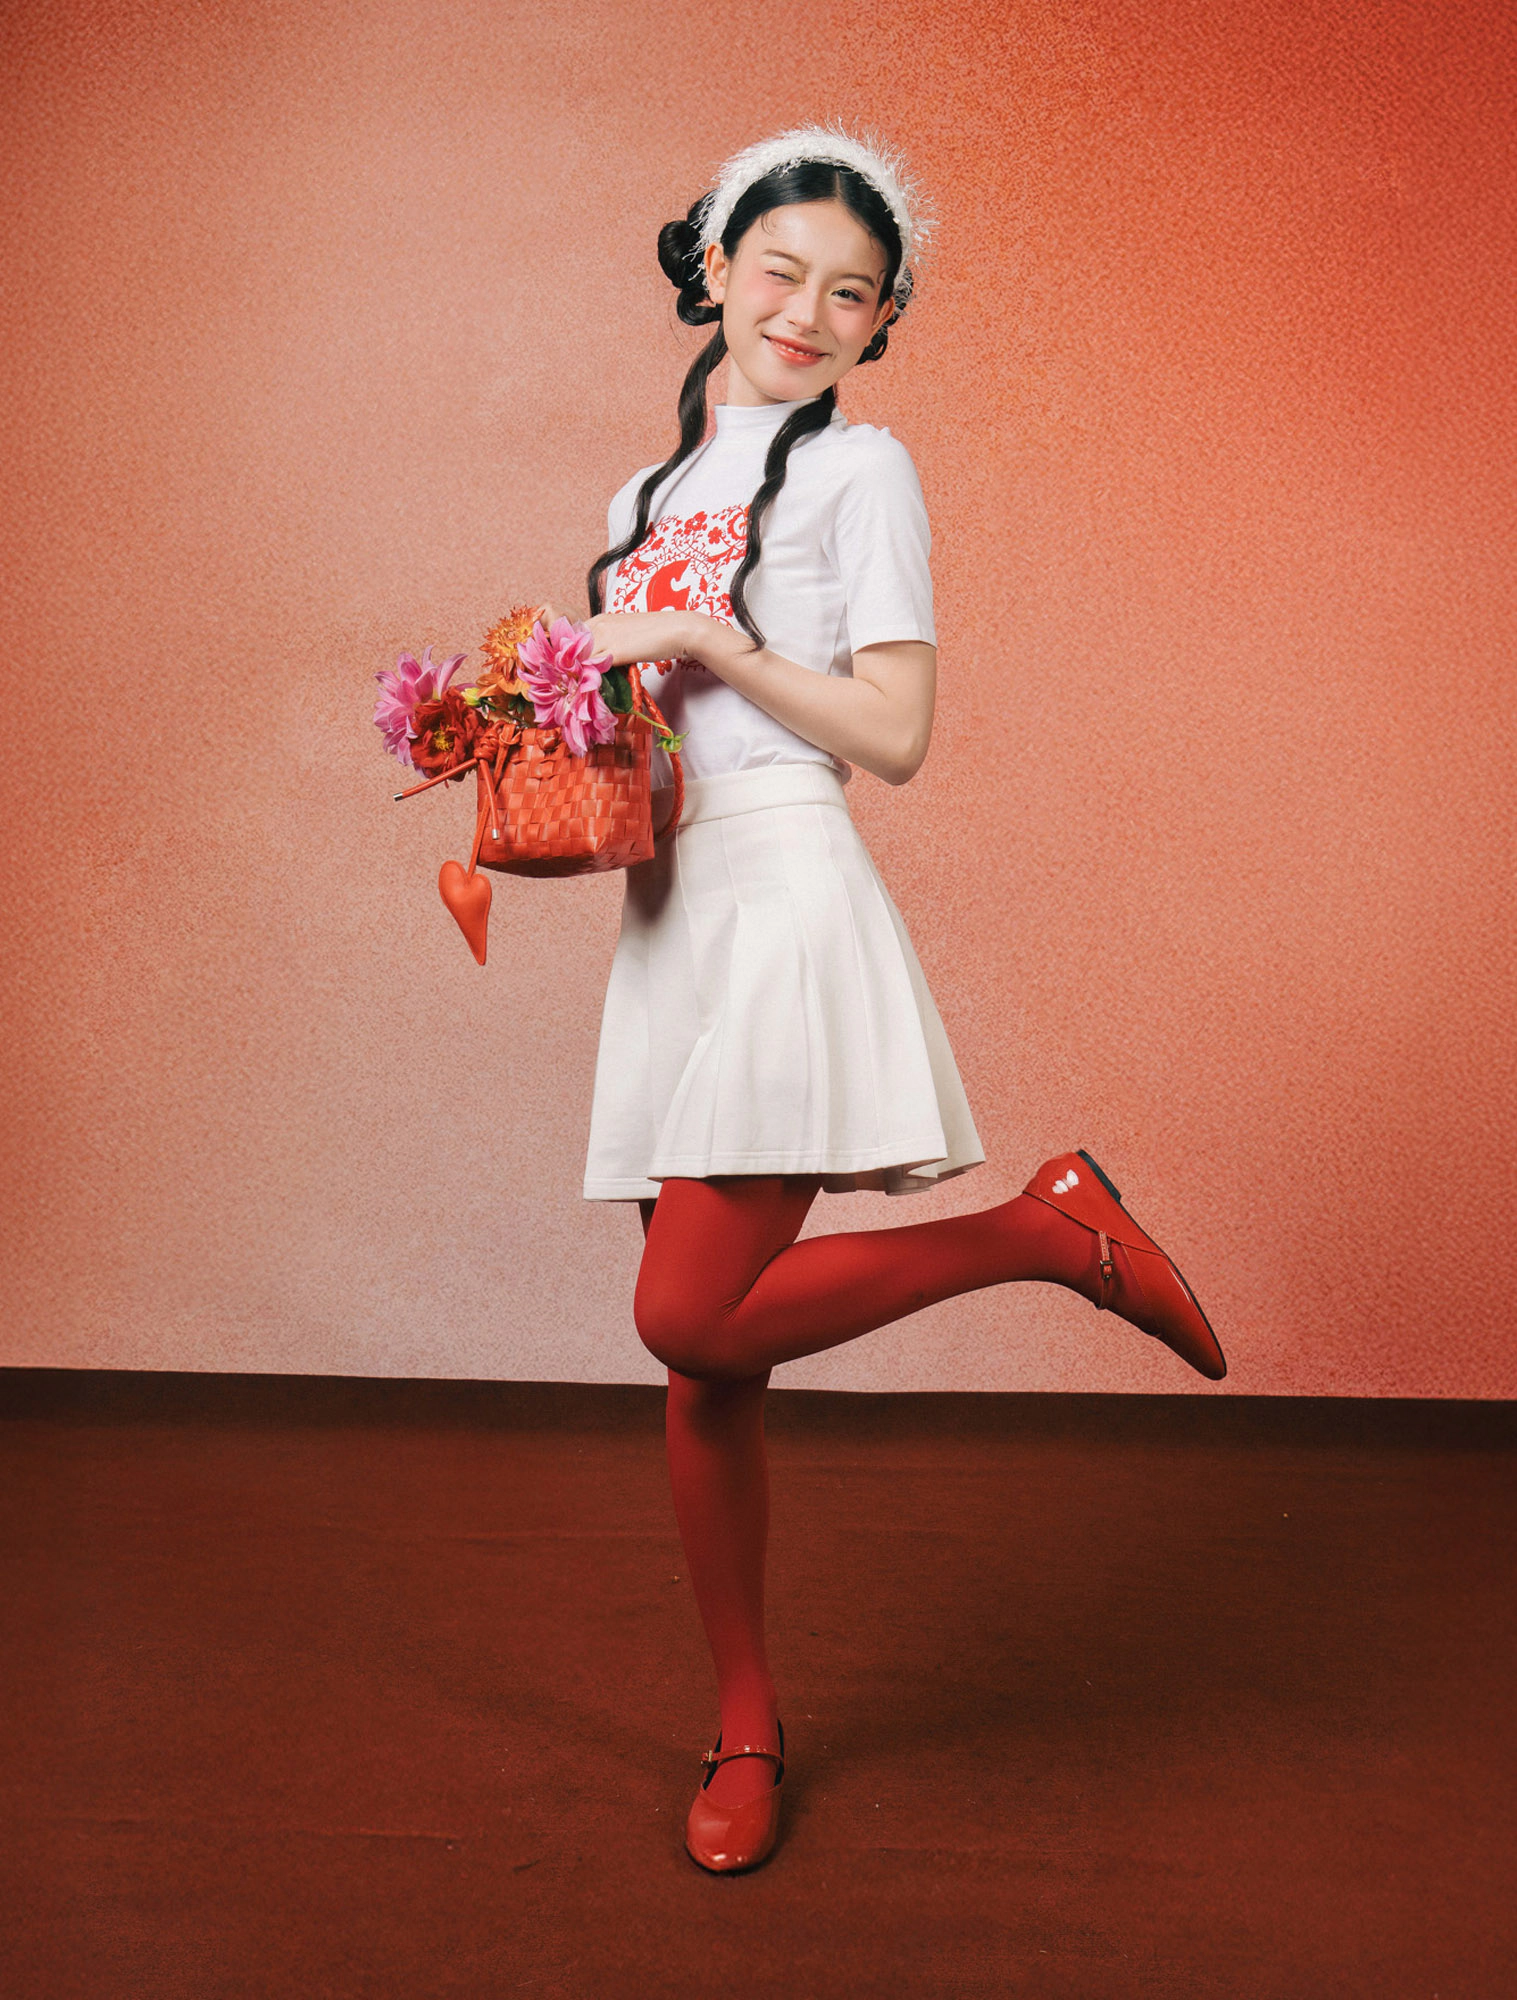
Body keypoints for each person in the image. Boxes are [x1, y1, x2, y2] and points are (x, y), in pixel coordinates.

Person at [539, 122, 1227, 1877]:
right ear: (715, 266)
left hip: (787, 896)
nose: (806, 310)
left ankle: (1042, 1233)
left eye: (850, 293)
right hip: (674, 913)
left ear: (879, 321)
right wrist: (525, 737)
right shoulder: (638, 499)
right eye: (780, 271)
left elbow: (896, 734)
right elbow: (647, 740)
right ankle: (746, 1724)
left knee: (688, 1317)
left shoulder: (867, 473)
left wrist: (710, 642)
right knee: (712, 1379)